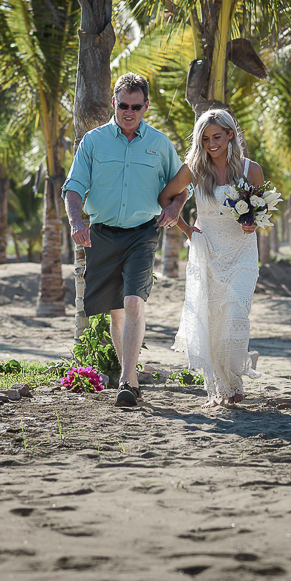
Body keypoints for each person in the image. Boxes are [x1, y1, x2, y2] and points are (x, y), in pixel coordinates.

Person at [62, 73, 188, 408]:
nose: (129, 111)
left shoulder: (160, 144)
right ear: (114, 104)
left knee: (133, 303)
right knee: (117, 312)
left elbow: (181, 188)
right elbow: (73, 187)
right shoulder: (93, 141)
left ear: (146, 106)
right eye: (123, 105)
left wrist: (175, 208)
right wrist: (77, 222)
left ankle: (125, 383)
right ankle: (129, 377)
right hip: (102, 233)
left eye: (136, 106)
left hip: (143, 233)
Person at [159, 108, 263, 408]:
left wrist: (252, 223)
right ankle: (224, 388)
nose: (211, 144)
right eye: (204, 139)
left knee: (234, 315)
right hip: (207, 250)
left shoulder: (250, 170)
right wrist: (187, 229)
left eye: (217, 137)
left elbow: (260, 209)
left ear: (230, 134)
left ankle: (234, 378)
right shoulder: (194, 168)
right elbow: (165, 197)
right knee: (212, 320)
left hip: (242, 251)